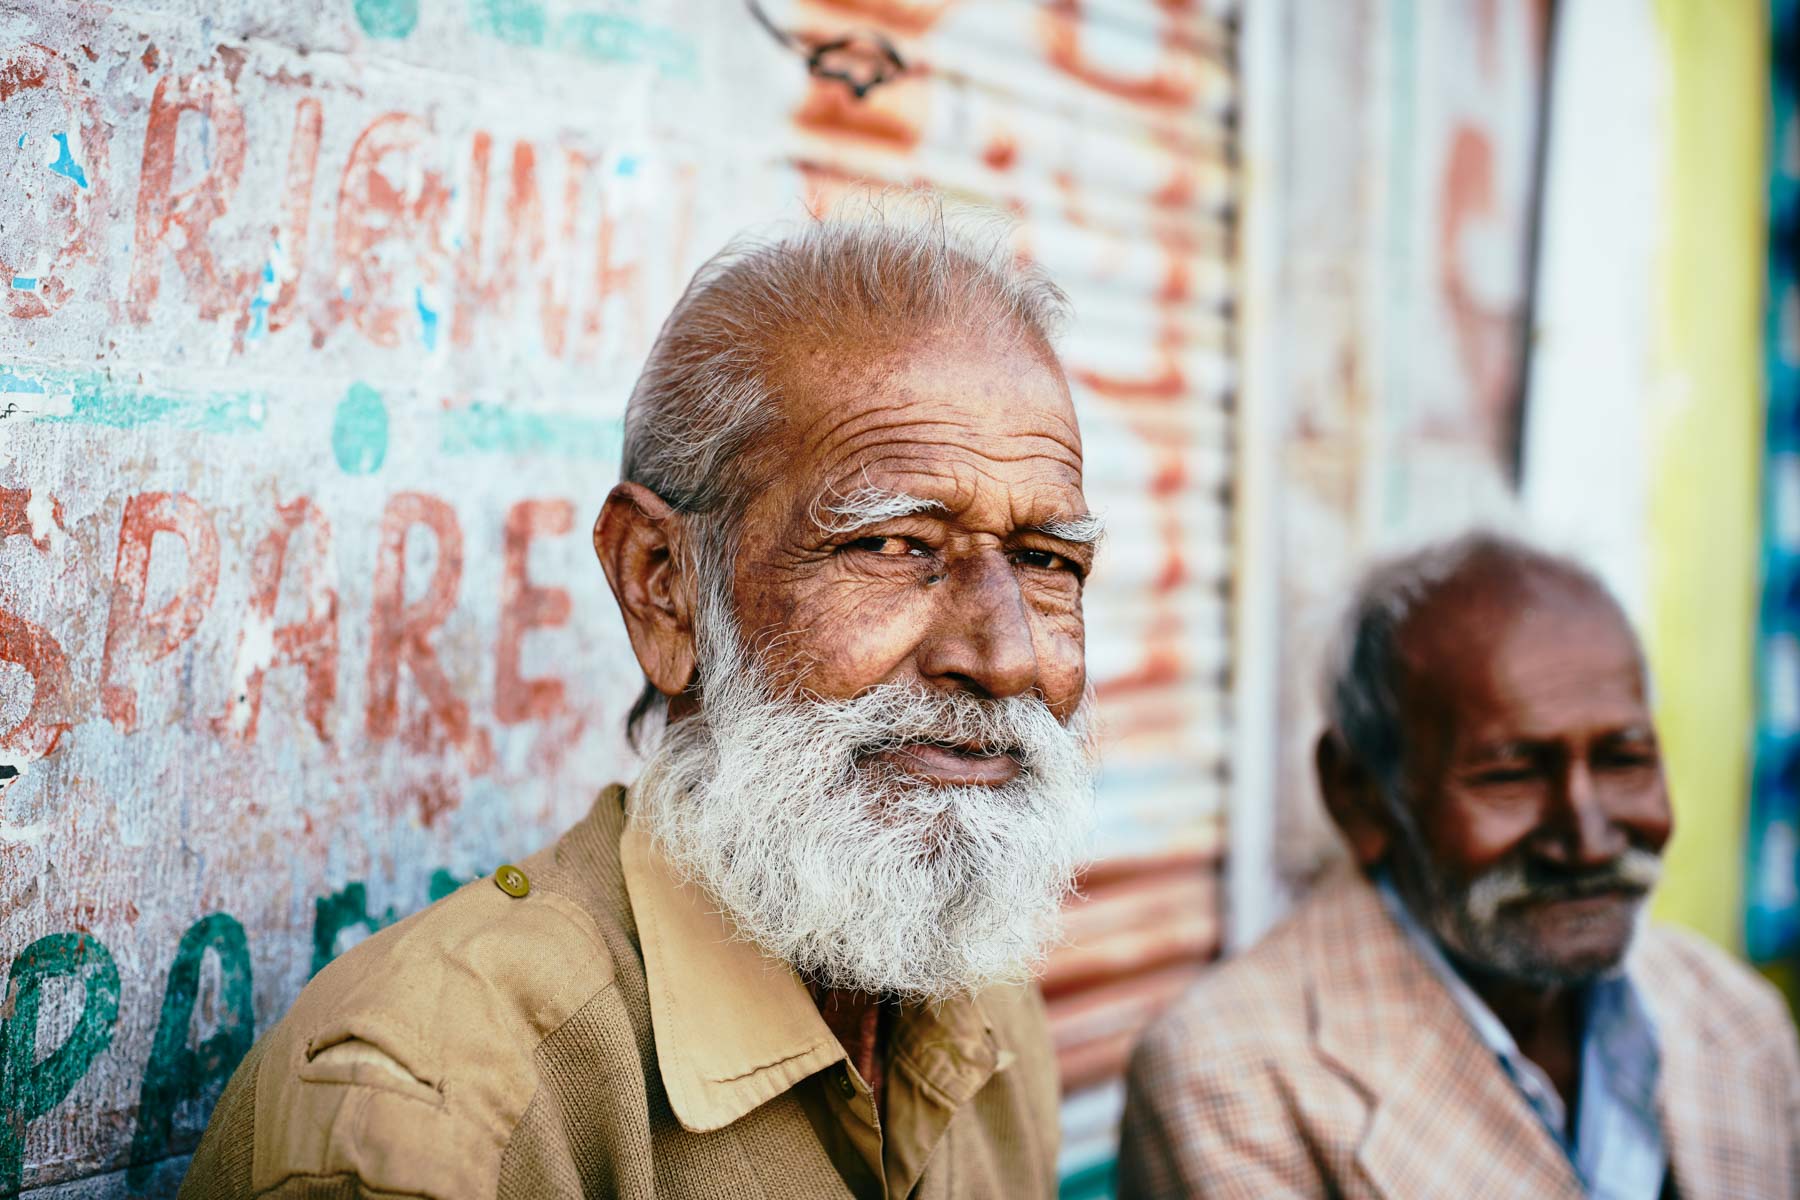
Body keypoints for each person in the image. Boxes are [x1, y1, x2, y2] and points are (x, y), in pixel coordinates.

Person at [180, 198, 1103, 1199]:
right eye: (889, 544)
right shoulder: (439, 1115)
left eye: (1045, 560)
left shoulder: (985, 1018)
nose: (1007, 657)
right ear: (661, 583)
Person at [1118, 532, 1800, 1200]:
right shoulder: (1231, 1081)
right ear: (1359, 798)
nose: (1589, 842)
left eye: (1624, 760)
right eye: (1510, 776)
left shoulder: (1735, 1017)